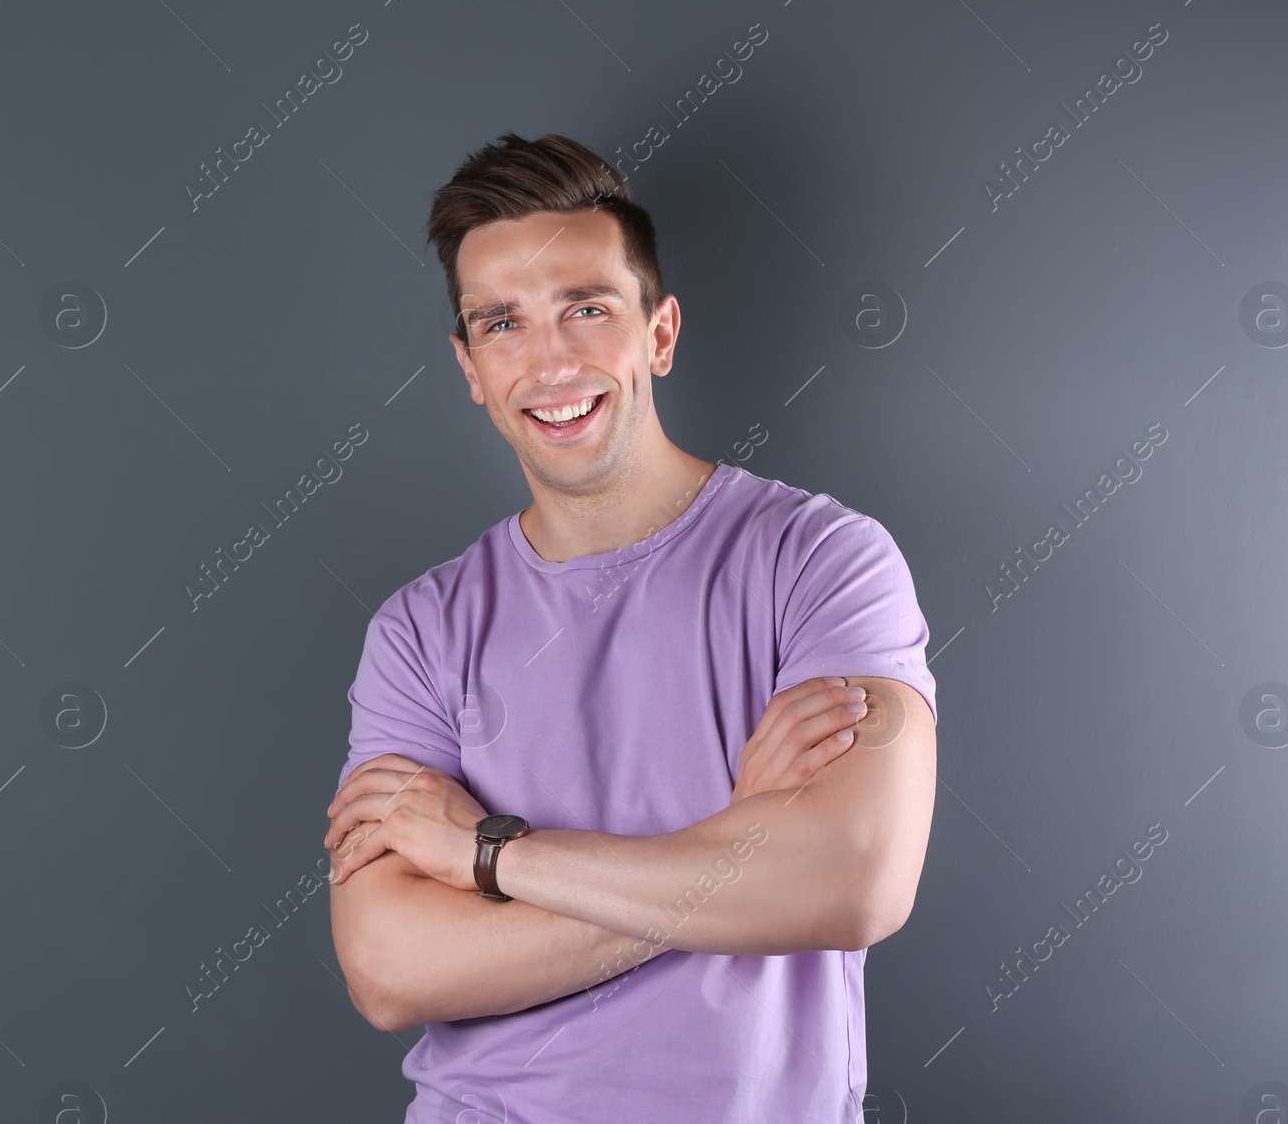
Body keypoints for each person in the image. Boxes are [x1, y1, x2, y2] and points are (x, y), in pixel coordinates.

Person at [324, 132, 938, 1123]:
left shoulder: (823, 559)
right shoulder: (420, 631)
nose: (549, 360)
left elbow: (854, 878)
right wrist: (735, 848)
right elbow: (390, 969)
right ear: (469, 366)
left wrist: (488, 854)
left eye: (586, 309)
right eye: (502, 324)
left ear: (659, 331)